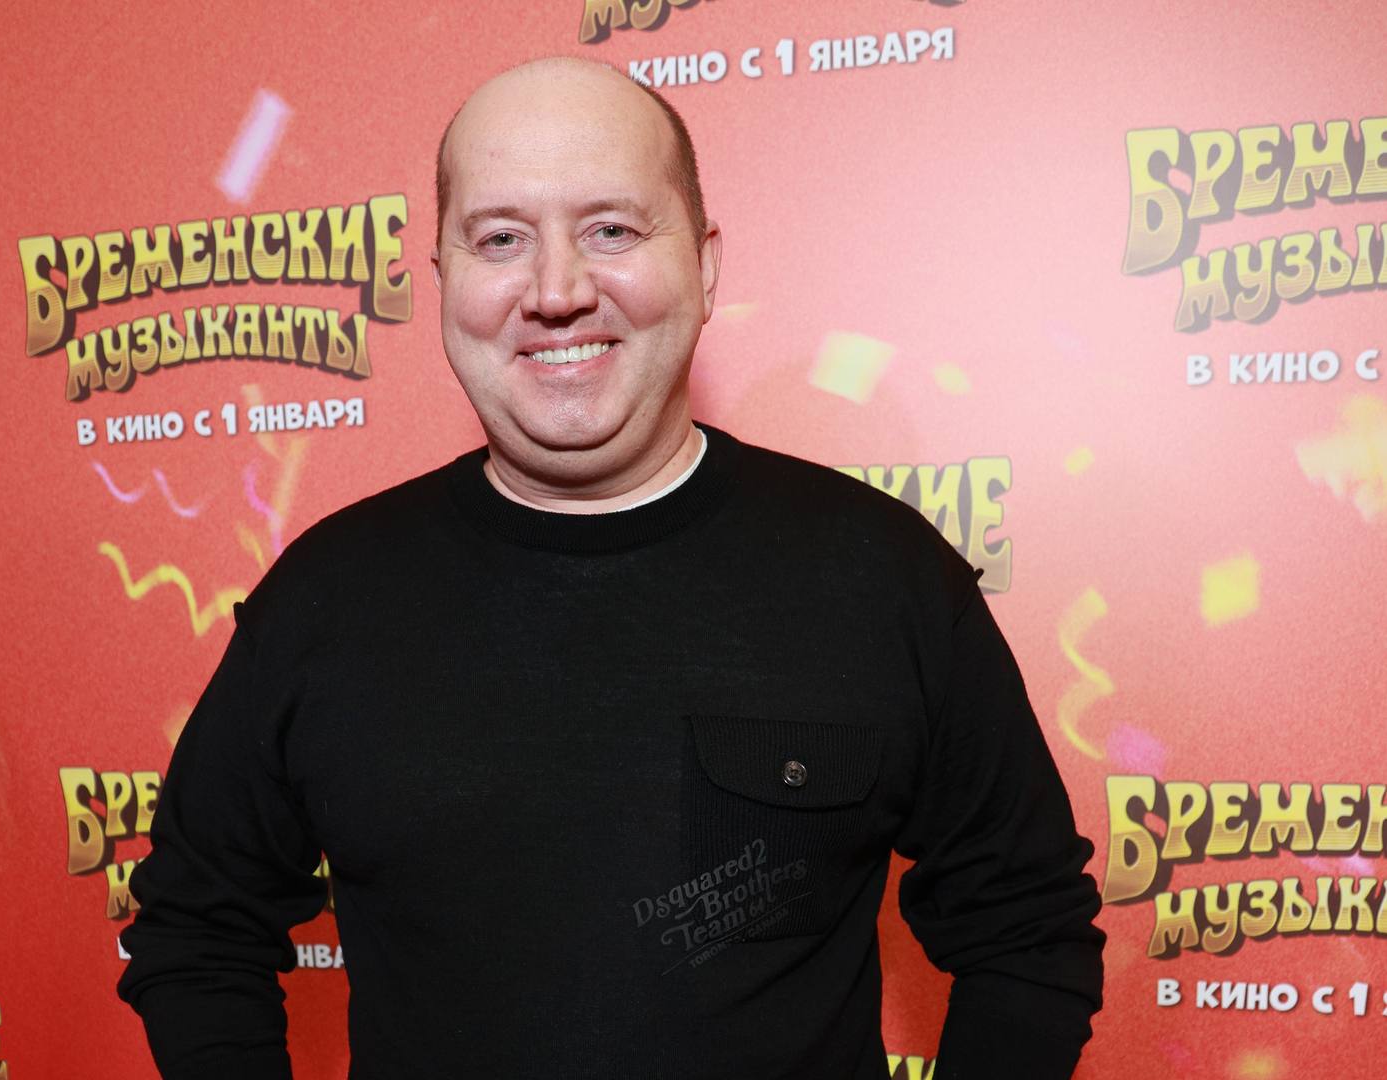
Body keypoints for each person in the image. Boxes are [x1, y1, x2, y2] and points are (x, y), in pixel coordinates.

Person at [119, 57, 1104, 1080]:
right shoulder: (325, 599)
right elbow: (196, 929)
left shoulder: (884, 577)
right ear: (443, 280)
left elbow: (1028, 931)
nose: (557, 292)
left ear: (705, 265)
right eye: (501, 239)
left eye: (612, 231)